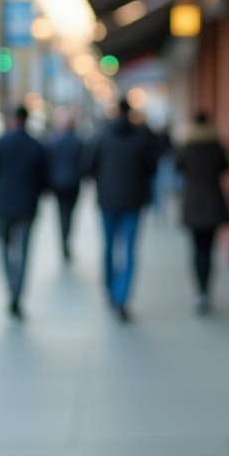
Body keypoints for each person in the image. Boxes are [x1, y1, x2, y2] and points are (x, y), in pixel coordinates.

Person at [82, 97, 158, 322]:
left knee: (108, 246)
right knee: (129, 250)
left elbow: (87, 167)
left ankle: (109, 290)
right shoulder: (141, 138)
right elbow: (151, 168)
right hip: (133, 201)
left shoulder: (101, 136)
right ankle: (122, 297)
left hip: (108, 201)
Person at [0, 106, 48, 319]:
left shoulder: (1, 143)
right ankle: (18, 295)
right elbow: (44, 178)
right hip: (27, 205)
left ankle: (10, 288)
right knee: (23, 252)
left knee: (5, 249)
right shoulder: (35, 146)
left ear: (14, 119)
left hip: (4, 205)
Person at [174, 111, 229, 315]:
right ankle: (206, 291)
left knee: (196, 249)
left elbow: (177, 167)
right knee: (209, 250)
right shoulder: (216, 147)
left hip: (193, 203)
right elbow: (227, 167)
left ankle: (199, 292)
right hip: (213, 202)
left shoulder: (186, 148)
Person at [46, 111, 84, 260]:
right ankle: (66, 241)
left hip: (58, 183)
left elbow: (48, 163)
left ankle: (64, 241)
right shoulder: (78, 142)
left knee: (61, 214)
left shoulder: (54, 141)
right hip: (73, 183)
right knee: (70, 214)